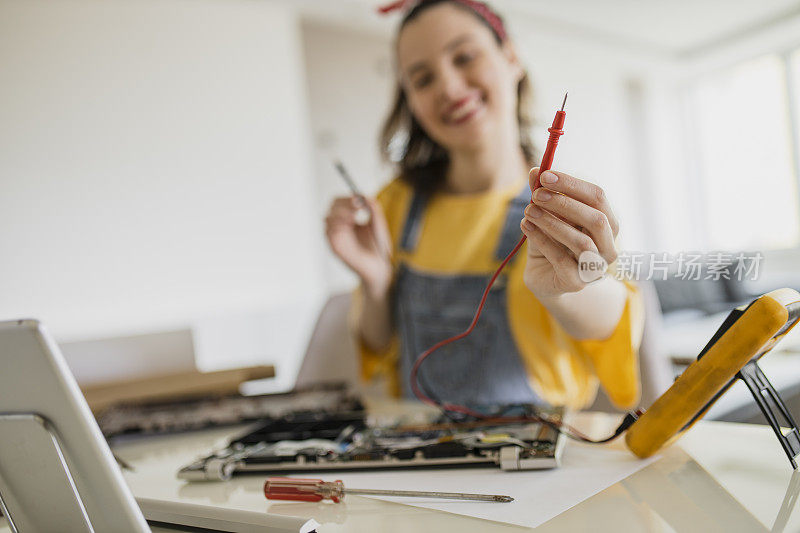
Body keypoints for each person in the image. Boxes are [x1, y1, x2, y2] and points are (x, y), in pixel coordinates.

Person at [324, 0, 643, 410]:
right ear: (410, 101)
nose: (450, 88)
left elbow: (612, 324)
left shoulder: (564, 210)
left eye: (465, 57)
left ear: (511, 57)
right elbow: (378, 344)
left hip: (534, 458)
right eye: (422, 79)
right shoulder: (391, 204)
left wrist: (571, 288)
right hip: (420, 456)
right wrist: (376, 283)